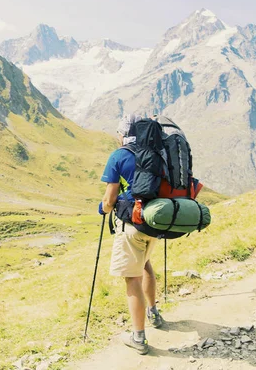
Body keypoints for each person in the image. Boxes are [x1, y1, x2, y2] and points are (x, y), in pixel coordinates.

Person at [98, 114, 164, 355]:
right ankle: (153, 313)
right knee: (145, 265)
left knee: (132, 278)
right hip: (155, 222)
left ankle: (139, 337)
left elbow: (109, 199)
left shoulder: (119, 156)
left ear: (123, 135)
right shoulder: (156, 152)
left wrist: (103, 208)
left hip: (132, 225)